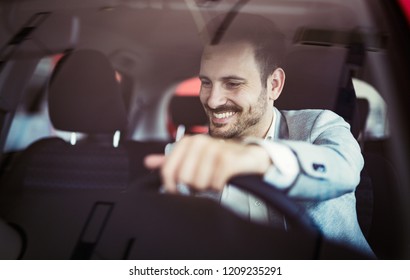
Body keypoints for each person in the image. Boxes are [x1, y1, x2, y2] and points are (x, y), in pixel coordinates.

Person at [145, 14, 373, 256]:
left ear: (274, 84)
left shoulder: (318, 125)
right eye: (206, 82)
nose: (212, 100)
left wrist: (256, 158)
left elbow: (344, 169)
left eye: (233, 83)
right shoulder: (185, 156)